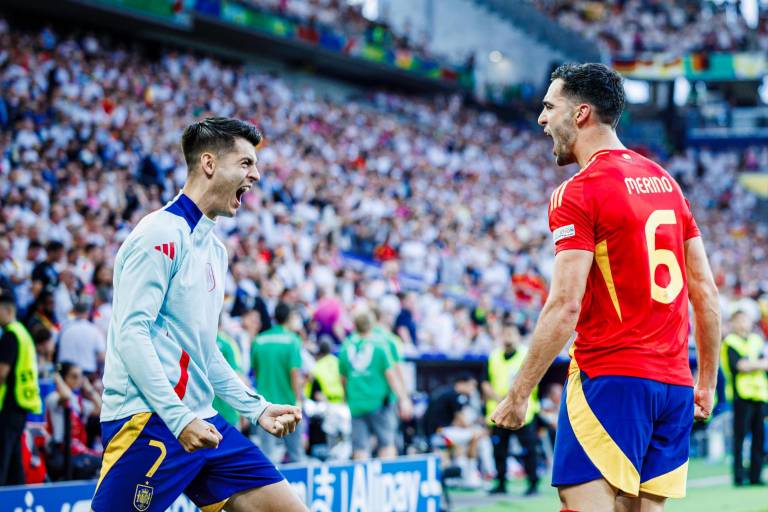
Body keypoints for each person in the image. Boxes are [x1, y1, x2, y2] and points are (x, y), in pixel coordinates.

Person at [491, 63, 721, 512]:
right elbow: (705, 292)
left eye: (549, 106)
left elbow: (564, 305)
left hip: (611, 378)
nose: (541, 119)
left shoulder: (579, 191)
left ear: (580, 114)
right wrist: (706, 382)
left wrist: (519, 395)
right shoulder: (667, 184)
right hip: (674, 385)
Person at [91, 118, 306, 512]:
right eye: (245, 163)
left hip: (202, 420)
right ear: (209, 164)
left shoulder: (215, 250)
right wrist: (178, 419)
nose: (256, 175)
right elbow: (130, 335)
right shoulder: (158, 233)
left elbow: (204, 352)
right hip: (149, 420)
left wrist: (255, 408)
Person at [339, 308, 412, 460]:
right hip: (380, 403)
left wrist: (346, 397)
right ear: (372, 324)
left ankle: (362, 482)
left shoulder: (346, 347)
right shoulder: (381, 344)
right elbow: (392, 374)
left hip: (356, 403)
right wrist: (403, 398)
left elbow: (343, 378)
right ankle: (386, 481)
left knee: (360, 447)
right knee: (386, 444)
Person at [483, 322, 540, 496]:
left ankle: (532, 483)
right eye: (505, 332)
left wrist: (515, 399)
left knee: (529, 449)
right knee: (499, 450)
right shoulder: (493, 356)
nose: (508, 336)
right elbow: (485, 383)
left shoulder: (526, 354)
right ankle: (500, 482)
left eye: (511, 333)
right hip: (499, 412)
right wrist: (502, 400)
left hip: (524, 412)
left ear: (518, 336)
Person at [251, 302, 305, 463]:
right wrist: (299, 398)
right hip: (288, 403)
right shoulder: (292, 340)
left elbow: (256, 370)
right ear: (289, 319)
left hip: (264, 404)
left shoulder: (259, 340)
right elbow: (295, 372)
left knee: (267, 455)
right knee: (295, 453)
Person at [0, 288, 42, 485]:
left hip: (9, 403)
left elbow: (2, 373)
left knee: (3, 457)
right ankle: (16, 498)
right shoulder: (23, 333)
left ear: (5, 309)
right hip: (22, 403)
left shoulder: (9, 335)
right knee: (14, 459)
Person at [721, 310, 767, 486]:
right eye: (739, 320)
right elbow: (739, 366)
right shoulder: (730, 342)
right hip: (741, 396)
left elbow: (763, 363)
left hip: (760, 395)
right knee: (740, 437)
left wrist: (751, 365)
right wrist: (757, 365)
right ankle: (739, 476)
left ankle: (756, 476)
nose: (742, 324)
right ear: (733, 323)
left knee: (759, 437)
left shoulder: (757, 340)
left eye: (745, 320)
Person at [424, 373, 486, 488]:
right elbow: (461, 420)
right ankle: (471, 475)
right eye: (471, 385)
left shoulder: (443, 392)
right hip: (441, 434)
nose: (472, 389)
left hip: (436, 433)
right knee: (477, 434)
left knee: (460, 446)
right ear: (461, 383)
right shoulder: (455, 395)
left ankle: (459, 475)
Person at [45, 361, 102, 480]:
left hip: (77, 450)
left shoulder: (78, 400)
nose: (78, 380)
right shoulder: (53, 397)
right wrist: (57, 377)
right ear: (63, 378)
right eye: (74, 376)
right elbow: (66, 397)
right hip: (60, 452)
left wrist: (89, 388)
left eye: (80, 376)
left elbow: (100, 407)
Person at [57, 298, 106, 377]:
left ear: (74, 312)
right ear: (87, 313)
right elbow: (102, 356)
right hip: (86, 374)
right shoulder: (94, 330)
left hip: (65, 373)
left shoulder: (64, 328)